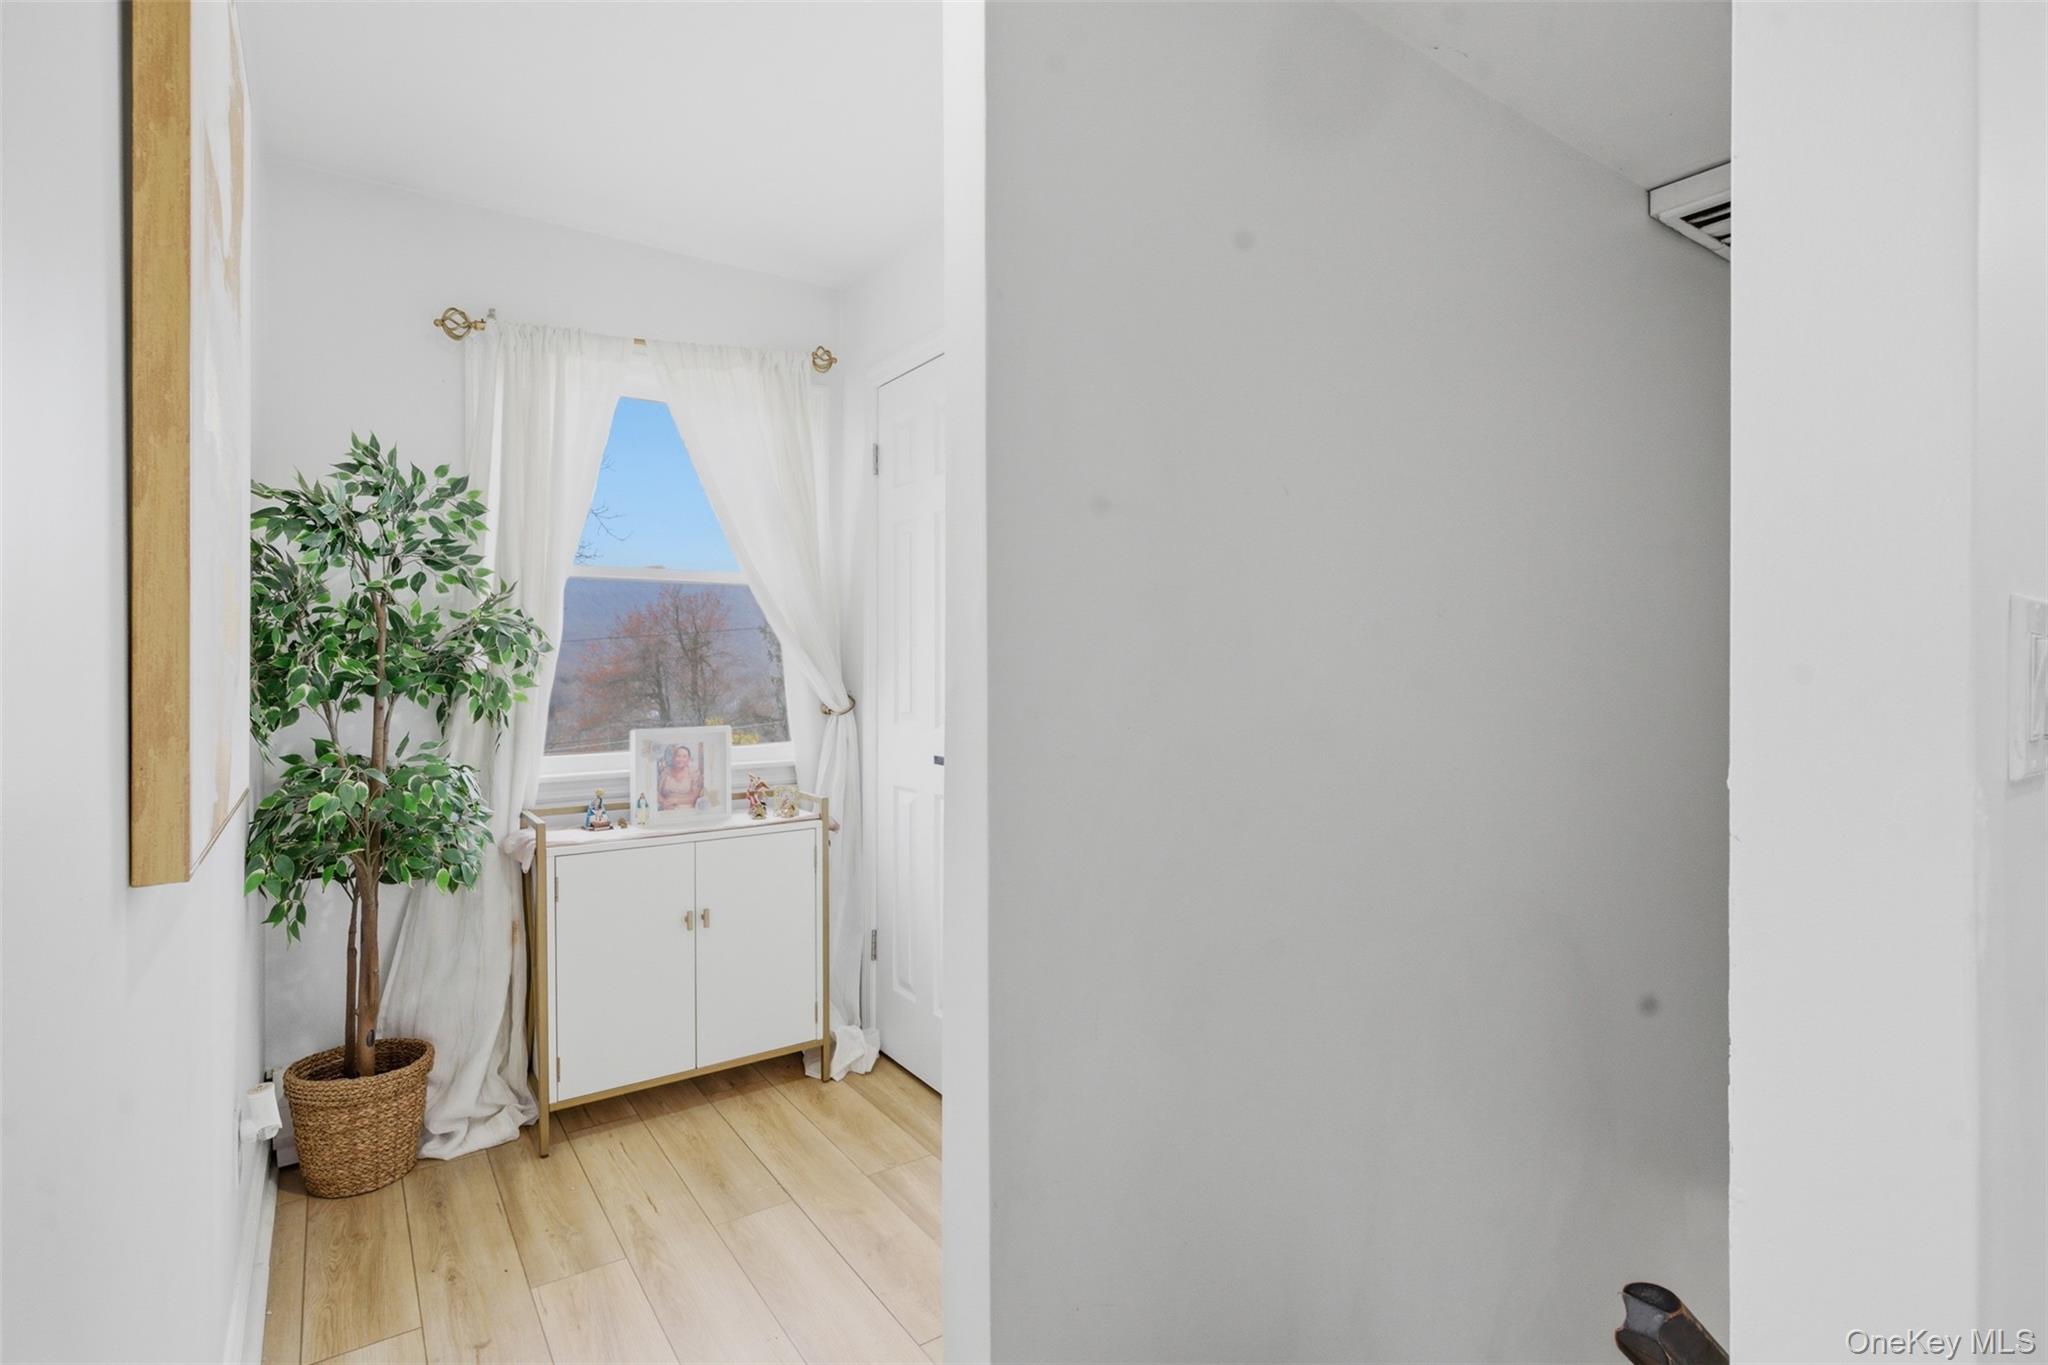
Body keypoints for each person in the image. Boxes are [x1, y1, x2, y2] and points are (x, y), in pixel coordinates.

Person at [656, 743, 703, 812]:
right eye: (678, 756)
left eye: (684, 756)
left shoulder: (694, 773)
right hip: (666, 808)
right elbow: (656, 792)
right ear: (674, 758)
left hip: (687, 810)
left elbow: (694, 797)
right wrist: (663, 802)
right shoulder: (665, 772)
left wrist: (675, 801)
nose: (681, 759)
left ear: (688, 759)